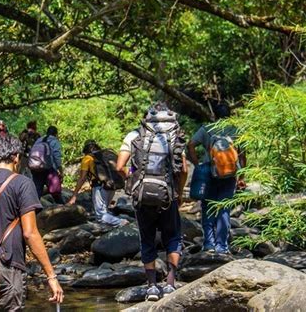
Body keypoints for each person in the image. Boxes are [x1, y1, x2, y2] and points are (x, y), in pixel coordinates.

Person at [0, 134, 64, 311]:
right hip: (6, 267)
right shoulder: (21, 183)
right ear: (16, 157)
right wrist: (51, 276)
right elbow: (30, 233)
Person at [116, 103, 187, 301]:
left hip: (142, 195)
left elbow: (120, 166)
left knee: (147, 239)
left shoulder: (135, 135)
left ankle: (152, 288)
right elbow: (183, 170)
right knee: (173, 237)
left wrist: (134, 176)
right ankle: (170, 284)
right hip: (168, 195)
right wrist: (179, 194)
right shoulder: (175, 134)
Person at [187, 103, 246, 254]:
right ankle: (222, 246)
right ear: (230, 115)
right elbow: (243, 153)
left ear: (214, 115)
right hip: (230, 175)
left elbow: (191, 144)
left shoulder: (207, 129)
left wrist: (197, 164)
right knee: (224, 209)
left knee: (208, 207)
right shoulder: (236, 130)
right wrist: (242, 176)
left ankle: (209, 244)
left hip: (209, 173)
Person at [67, 140, 128, 227]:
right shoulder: (107, 155)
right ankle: (109, 229)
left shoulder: (87, 158)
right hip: (112, 185)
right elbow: (123, 169)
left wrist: (74, 196)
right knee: (104, 211)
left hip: (100, 187)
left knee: (100, 216)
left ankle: (122, 222)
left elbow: (82, 178)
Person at [31, 126, 64, 203]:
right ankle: (62, 207)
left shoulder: (39, 140)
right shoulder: (55, 141)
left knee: (37, 190)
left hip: (36, 167)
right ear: (56, 134)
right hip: (49, 168)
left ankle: (34, 210)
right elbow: (57, 157)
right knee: (55, 189)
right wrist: (60, 170)